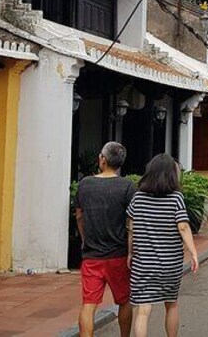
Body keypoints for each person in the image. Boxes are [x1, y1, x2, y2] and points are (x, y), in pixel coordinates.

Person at [128, 153, 199, 337]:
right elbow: (183, 226)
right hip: (170, 265)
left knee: (143, 310)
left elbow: (131, 229)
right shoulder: (176, 198)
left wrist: (130, 253)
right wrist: (193, 252)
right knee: (172, 304)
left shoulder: (138, 198)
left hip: (143, 263)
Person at [75, 142, 136, 337]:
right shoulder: (127, 186)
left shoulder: (85, 184)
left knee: (88, 304)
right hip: (118, 255)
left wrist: (85, 239)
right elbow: (132, 222)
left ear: (103, 159)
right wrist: (131, 251)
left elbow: (79, 215)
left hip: (92, 256)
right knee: (124, 301)